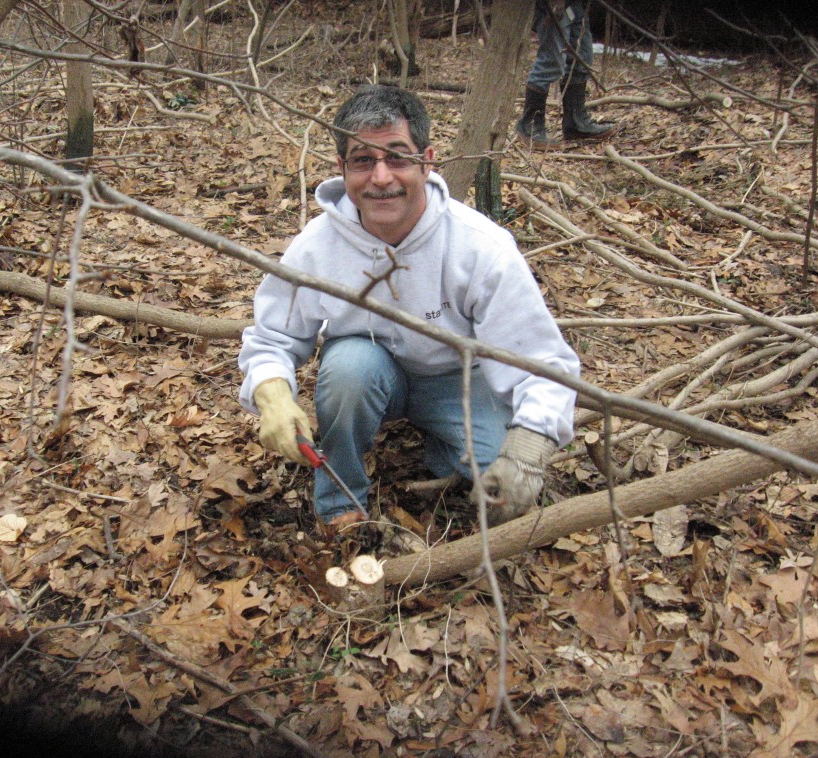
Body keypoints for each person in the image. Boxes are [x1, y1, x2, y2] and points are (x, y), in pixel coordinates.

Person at [238, 85, 579, 531]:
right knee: (349, 368)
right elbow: (271, 338)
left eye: (397, 157)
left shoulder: (479, 246)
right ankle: (340, 502)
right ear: (342, 169)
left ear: (428, 159)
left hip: (459, 380)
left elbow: (541, 360)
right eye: (363, 160)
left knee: (497, 476)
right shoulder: (316, 247)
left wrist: (530, 446)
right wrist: (273, 394)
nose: (381, 178)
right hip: (365, 373)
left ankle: (441, 445)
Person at [517, 0, 615, 146]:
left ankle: (576, 124)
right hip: (552, 5)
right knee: (551, 63)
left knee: (582, 58)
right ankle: (530, 127)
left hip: (574, 4)